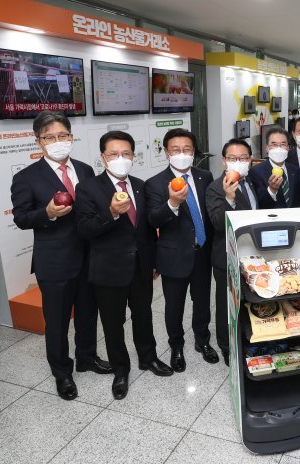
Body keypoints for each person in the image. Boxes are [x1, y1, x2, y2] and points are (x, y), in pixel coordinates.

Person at [11, 111, 111, 401]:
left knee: (88, 313)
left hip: (90, 257)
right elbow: (21, 217)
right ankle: (62, 372)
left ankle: (87, 357)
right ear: (39, 142)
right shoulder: (26, 177)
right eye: (50, 137)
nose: (58, 141)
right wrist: (48, 213)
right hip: (54, 262)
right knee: (56, 321)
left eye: (62, 135)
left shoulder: (85, 169)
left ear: (71, 137)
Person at [75, 131, 173, 400]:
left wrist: (152, 263)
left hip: (140, 267)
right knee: (113, 323)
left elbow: (146, 230)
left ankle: (148, 358)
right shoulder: (87, 188)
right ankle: (121, 369)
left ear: (133, 156)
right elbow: (84, 229)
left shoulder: (141, 186)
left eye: (126, 154)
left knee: (143, 316)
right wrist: (111, 214)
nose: (121, 159)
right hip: (108, 270)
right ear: (103, 158)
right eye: (113, 154)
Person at [144, 128, 217, 371]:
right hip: (174, 256)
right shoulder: (154, 184)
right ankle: (176, 345)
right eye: (176, 150)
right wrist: (172, 203)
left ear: (193, 152)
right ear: (167, 153)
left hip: (203, 253)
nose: (182, 154)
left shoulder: (205, 176)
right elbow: (153, 220)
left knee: (203, 302)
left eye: (186, 149)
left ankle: (203, 340)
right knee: (174, 306)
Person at [206, 139, 258, 365]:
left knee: (251, 298)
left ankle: (250, 336)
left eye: (243, 158)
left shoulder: (251, 182)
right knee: (226, 303)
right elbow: (218, 223)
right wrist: (229, 198)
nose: (238, 163)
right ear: (224, 161)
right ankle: (226, 345)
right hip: (226, 256)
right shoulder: (215, 188)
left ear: (251, 161)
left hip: (252, 253)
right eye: (233, 158)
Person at [250, 127, 300, 208]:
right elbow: (257, 204)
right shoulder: (256, 172)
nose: (279, 148)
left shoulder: (295, 170)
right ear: (267, 148)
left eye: (283, 144)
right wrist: (272, 190)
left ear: (288, 148)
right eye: (274, 144)